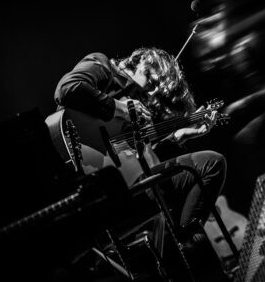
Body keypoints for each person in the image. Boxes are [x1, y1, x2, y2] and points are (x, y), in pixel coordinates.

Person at [54, 47, 227, 233]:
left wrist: (180, 135)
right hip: (84, 178)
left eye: (158, 91)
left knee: (167, 211)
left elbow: (137, 163)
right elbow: (67, 89)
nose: (152, 93)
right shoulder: (103, 66)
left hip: (119, 189)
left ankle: (187, 243)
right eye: (153, 83)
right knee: (211, 164)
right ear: (143, 62)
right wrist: (120, 107)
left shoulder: (138, 106)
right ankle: (188, 240)